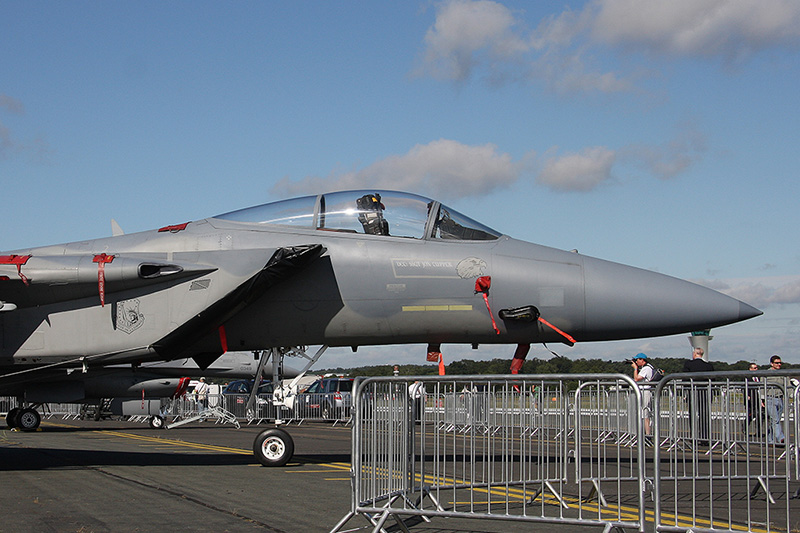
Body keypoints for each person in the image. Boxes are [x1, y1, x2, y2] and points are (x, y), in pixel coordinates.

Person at [682, 347, 714, 444]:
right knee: (704, 415)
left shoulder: (689, 364)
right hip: (705, 392)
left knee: (693, 415)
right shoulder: (708, 366)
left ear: (695, 354)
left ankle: (694, 436)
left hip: (693, 392)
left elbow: (685, 379)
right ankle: (705, 437)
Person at [631, 353, 654, 438]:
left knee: (645, 414)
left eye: (637, 360)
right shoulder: (648, 367)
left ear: (642, 360)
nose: (636, 362)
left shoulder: (646, 368)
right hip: (644, 392)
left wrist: (635, 369)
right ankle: (645, 434)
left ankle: (647, 435)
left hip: (645, 392)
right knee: (643, 414)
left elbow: (636, 378)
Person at [764, 355, 785, 444]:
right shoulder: (766, 374)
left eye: (780, 363)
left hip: (780, 398)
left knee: (775, 421)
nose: (779, 364)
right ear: (771, 363)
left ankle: (770, 440)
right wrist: (762, 399)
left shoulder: (783, 373)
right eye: (776, 363)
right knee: (775, 420)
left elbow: (787, 385)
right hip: (770, 399)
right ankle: (780, 438)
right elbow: (762, 387)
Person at [744, 363, 762, 436]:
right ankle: (745, 428)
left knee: (759, 416)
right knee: (750, 416)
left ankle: (758, 431)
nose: (755, 369)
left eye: (756, 368)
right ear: (750, 369)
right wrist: (747, 396)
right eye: (754, 368)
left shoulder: (758, 378)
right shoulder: (747, 378)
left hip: (758, 399)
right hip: (750, 400)